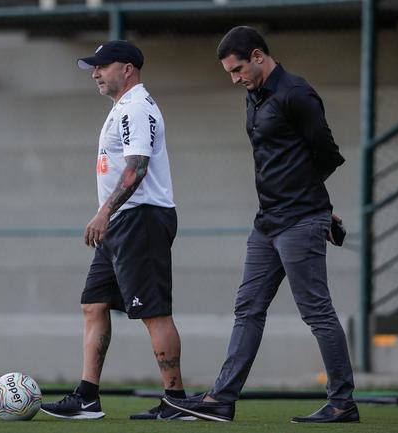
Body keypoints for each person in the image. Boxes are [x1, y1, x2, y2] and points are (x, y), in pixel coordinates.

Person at [163, 26, 359, 423]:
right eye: (230, 73)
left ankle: (342, 403)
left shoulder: (296, 93)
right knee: (247, 309)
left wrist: (314, 206)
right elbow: (279, 160)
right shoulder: (254, 96)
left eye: (237, 70)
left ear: (257, 55)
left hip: (299, 221)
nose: (234, 78)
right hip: (267, 223)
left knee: (316, 312)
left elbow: (328, 155)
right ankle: (222, 399)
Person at [40, 40, 194, 421]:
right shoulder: (124, 107)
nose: (95, 72)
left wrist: (104, 212)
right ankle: (87, 397)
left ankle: (177, 400)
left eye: (102, 66)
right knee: (93, 304)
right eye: (93, 66)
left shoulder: (137, 108)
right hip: (123, 221)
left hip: (139, 218)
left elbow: (137, 166)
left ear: (127, 69)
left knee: (153, 312)